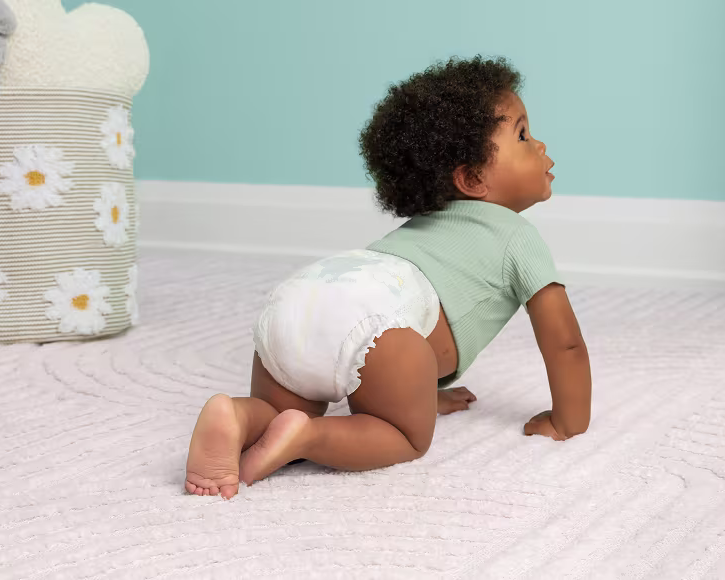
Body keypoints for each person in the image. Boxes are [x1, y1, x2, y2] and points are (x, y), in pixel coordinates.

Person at [186, 55, 592, 499]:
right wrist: (567, 419)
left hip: (299, 300)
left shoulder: (418, 228)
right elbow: (564, 343)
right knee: (401, 434)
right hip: (377, 328)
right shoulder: (517, 236)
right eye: (522, 133)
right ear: (473, 178)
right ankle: (306, 439)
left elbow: (417, 312)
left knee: (279, 407)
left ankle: (241, 417)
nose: (540, 145)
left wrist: (424, 392)